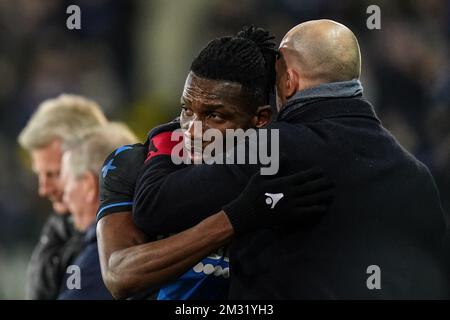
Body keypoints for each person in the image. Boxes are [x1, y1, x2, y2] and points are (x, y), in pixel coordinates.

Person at [104, 19, 449, 299]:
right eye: (187, 113)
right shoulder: (416, 175)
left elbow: (155, 206)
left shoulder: (274, 146)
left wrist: (165, 139)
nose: (196, 129)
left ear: (289, 81)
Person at [96, 26, 333, 299]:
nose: (193, 130)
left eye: (215, 116)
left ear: (261, 119)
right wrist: (237, 218)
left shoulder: (280, 173)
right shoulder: (132, 163)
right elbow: (120, 276)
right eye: (187, 110)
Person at [18, 94, 108, 299]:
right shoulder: (60, 230)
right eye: (39, 175)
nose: (44, 189)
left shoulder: (118, 236)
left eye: (54, 174)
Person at [57, 123, 138, 299]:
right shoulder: (162, 238)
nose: (64, 198)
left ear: (88, 186)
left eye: (66, 185)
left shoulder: (96, 264)